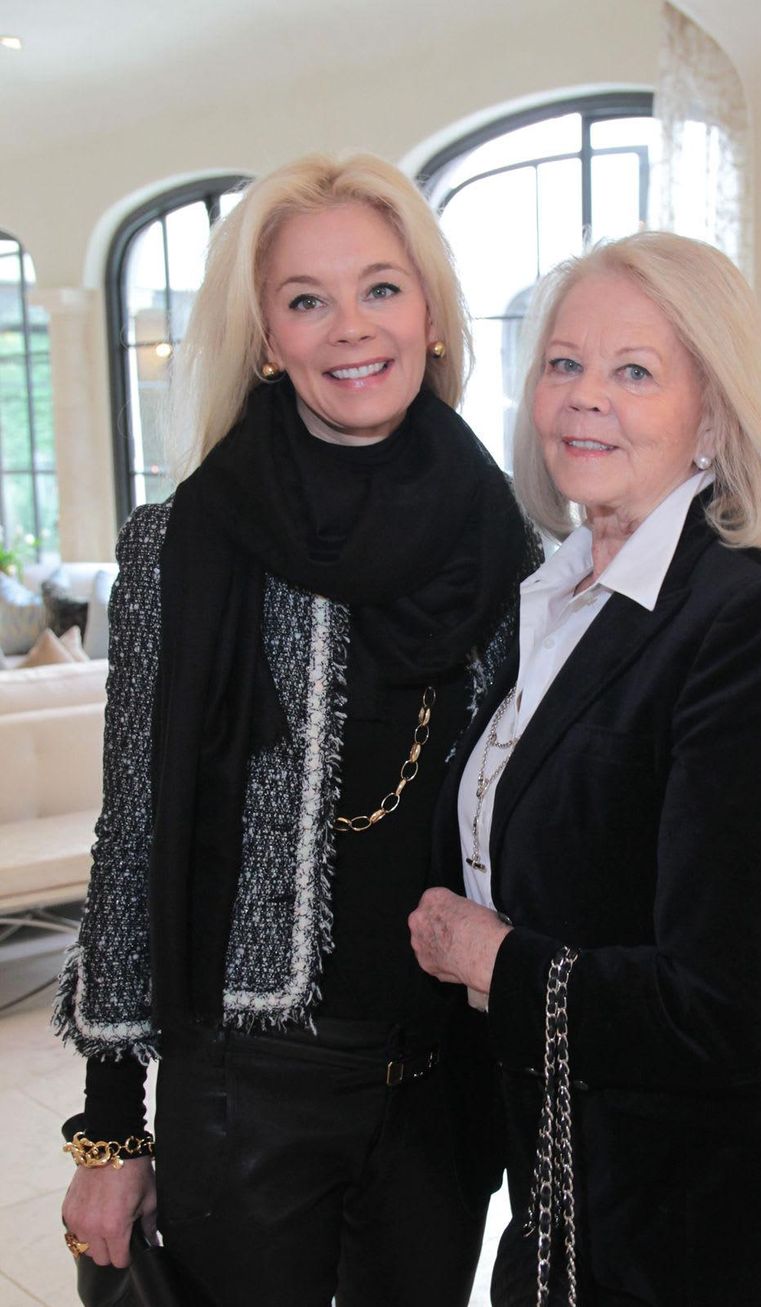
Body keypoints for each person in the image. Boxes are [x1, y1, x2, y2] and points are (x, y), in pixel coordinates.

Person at [55, 151, 539, 1307]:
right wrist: (111, 1129)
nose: (349, 327)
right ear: (267, 337)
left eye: (381, 287)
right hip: (250, 1081)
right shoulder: (185, 541)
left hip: (441, 1075)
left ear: (430, 314)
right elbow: (136, 833)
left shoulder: (506, 538)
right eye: (305, 298)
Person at [409, 230, 761, 1307]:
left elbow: (728, 1009)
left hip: (695, 1212)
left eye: (635, 371)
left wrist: (494, 959)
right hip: (564, 1175)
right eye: (563, 362)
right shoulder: (544, 601)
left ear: (714, 416)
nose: (584, 397)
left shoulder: (758, 629)